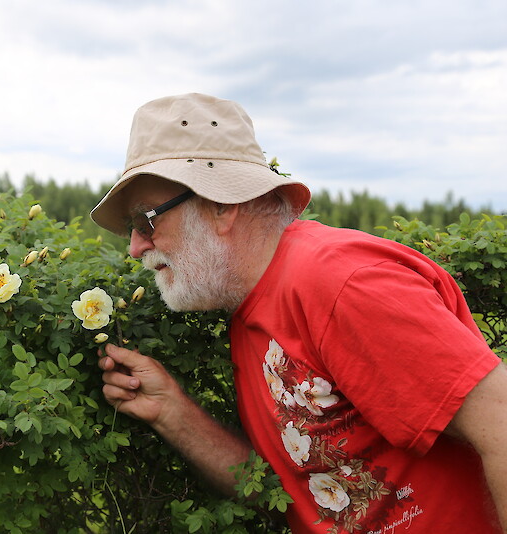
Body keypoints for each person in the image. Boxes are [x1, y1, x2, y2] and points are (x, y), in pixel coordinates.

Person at [90, 93, 507, 533]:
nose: (136, 246)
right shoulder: (253, 304)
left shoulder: (343, 283)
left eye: (146, 220)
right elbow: (285, 491)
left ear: (221, 205)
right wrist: (171, 412)